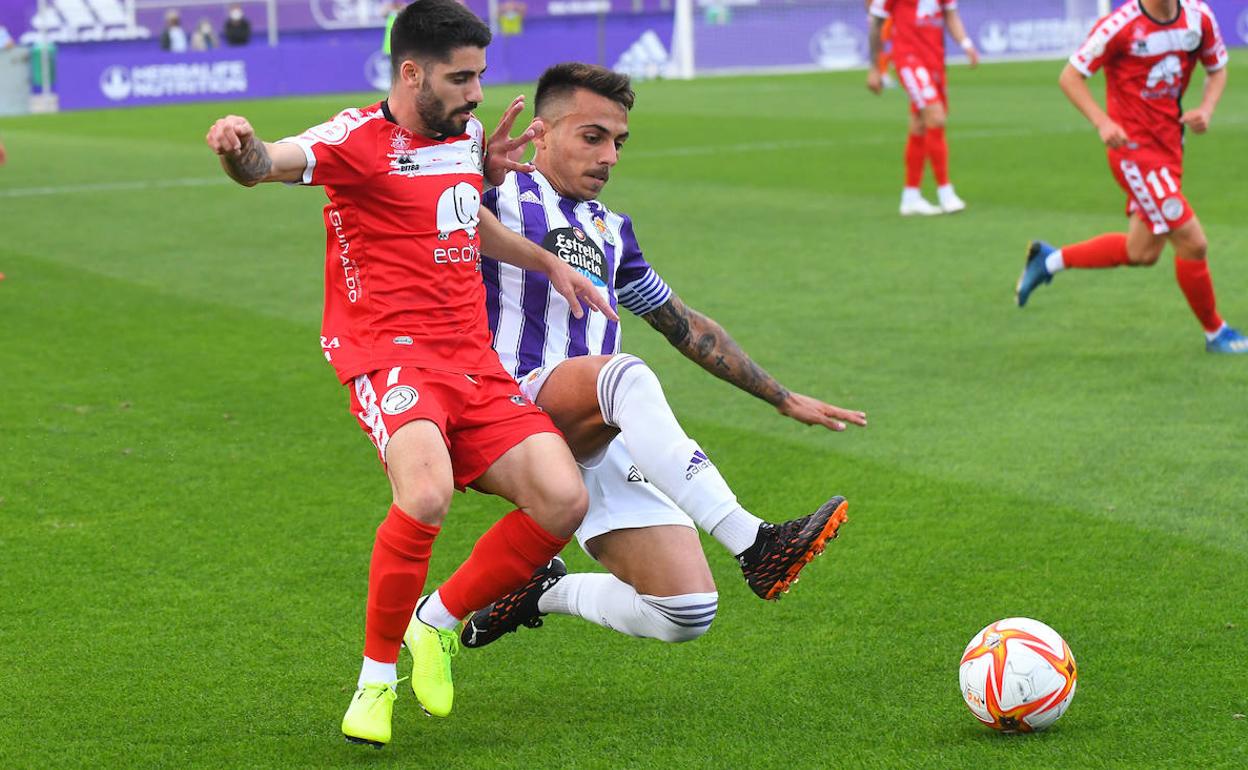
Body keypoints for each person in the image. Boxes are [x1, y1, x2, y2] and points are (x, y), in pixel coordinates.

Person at [204, 0, 616, 749]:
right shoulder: (355, 140)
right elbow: (270, 164)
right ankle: (375, 680)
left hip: (472, 360)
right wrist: (240, 147)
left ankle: (437, 626)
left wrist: (546, 259)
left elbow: (467, 217)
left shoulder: (461, 137)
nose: (476, 94)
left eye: (480, 76)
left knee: (563, 500)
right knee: (424, 495)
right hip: (389, 354)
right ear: (411, 72)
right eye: (462, 78)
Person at [458, 63, 867, 652]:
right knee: (626, 376)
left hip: (590, 428)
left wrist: (781, 397)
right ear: (541, 134)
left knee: (685, 609)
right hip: (512, 405)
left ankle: (540, 591)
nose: (609, 157)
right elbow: (423, 197)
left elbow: (685, 325)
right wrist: (475, 167)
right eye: (592, 136)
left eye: (618, 142)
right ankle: (755, 544)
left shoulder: (612, 232)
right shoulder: (496, 193)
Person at [1016, 0, 1245, 354]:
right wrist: (1102, 121)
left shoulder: (1198, 16)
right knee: (1193, 241)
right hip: (1133, 152)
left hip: (1170, 148)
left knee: (1141, 251)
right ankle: (1216, 332)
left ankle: (1048, 260)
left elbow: (1217, 69)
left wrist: (1207, 109)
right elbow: (1070, 76)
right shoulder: (1119, 26)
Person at [867, 0, 978, 216]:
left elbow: (950, 14)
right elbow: (876, 23)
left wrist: (965, 43)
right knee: (936, 117)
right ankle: (946, 193)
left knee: (919, 124)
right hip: (908, 58)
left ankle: (910, 197)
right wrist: (874, 68)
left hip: (934, 59)